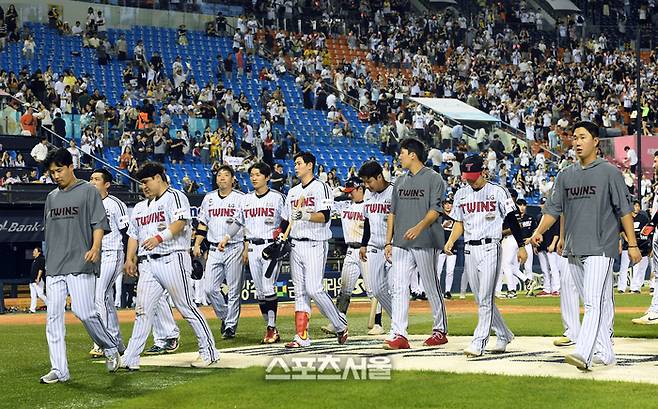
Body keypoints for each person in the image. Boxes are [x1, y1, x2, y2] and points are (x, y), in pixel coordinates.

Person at [528, 120, 639, 370]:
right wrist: (538, 232)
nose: (577, 142)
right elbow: (554, 210)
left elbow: (624, 212)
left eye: (582, 137)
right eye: (574, 138)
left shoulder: (610, 173)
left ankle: (583, 351)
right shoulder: (566, 174)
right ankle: (605, 352)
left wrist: (632, 244)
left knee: (592, 302)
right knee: (596, 302)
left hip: (601, 246)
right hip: (574, 248)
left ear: (596, 141)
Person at [121, 162, 219, 370]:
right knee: (143, 311)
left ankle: (209, 352)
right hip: (148, 263)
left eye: (146, 182)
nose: (143, 187)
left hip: (172, 257)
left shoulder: (174, 196)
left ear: (158, 177)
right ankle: (131, 358)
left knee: (186, 307)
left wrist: (159, 237)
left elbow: (180, 222)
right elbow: (133, 235)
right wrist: (130, 258)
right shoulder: (139, 207)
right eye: (141, 183)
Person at [40, 148, 121, 384]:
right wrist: (47, 260)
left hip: (81, 261)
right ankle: (59, 369)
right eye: (52, 172)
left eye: (59, 170)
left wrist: (96, 247)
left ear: (70, 167)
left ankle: (109, 346)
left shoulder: (88, 191)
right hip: (55, 264)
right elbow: (49, 231)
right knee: (53, 317)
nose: (56, 176)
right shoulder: (51, 197)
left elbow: (98, 223)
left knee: (85, 312)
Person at [444, 154, 527, 357]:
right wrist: (451, 240)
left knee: (485, 299)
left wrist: (521, 245)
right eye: (467, 176)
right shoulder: (461, 194)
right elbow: (459, 222)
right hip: (470, 249)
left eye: (473, 175)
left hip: (491, 246)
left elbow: (512, 219)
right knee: (481, 298)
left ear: (484, 171)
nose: (470, 179)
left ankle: (479, 341)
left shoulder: (498, 191)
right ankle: (504, 334)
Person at [383, 138, 449, 350]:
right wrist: (388, 241)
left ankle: (440, 330)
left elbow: (435, 210)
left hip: (426, 240)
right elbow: (392, 213)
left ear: (413, 154)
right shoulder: (400, 181)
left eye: (402, 153)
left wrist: (419, 227)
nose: (399, 157)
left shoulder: (434, 178)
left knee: (431, 286)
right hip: (401, 242)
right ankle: (399, 334)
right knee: (399, 287)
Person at [283, 151, 348, 348]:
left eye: (299, 163)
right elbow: (288, 219)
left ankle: (340, 324)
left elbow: (325, 216)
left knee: (314, 289)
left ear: (310, 165)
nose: (296, 166)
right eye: (295, 163)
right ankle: (301, 336)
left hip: (315, 242)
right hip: (296, 243)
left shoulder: (322, 187)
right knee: (300, 292)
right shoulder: (292, 192)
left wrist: (304, 214)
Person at [321, 178, 384, 336]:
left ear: (361, 189)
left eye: (352, 191)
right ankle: (338, 322)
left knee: (372, 290)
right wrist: (338, 191)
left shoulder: (369, 205)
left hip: (367, 249)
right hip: (350, 250)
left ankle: (378, 323)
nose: (350, 195)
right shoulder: (345, 205)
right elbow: (327, 203)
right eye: (348, 192)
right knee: (345, 289)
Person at [193, 165, 247, 339]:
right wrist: (197, 244)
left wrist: (246, 247)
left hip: (235, 246)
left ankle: (230, 326)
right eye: (219, 175)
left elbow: (246, 226)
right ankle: (225, 316)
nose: (222, 178)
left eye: (226, 175)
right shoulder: (208, 198)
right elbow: (203, 223)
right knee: (209, 289)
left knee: (233, 290)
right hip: (214, 248)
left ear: (233, 179)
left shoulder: (241, 198)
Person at [240, 162, 286, 343]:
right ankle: (270, 326)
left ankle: (271, 327)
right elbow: (242, 224)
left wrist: (281, 238)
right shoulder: (246, 199)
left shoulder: (277, 197)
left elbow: (286, 220)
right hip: (252, 246)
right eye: (251, 174)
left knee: (268, 286)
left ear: (267, 177)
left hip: (270, 246)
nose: (253, 177)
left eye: (258, 174)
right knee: (259, 292)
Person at [87, 169, 129, 358]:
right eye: (91, 178)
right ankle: (117, 342)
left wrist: (130, 257)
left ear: (107, 184)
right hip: (97, 256)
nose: (92, 181)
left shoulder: (115, 204)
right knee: (107, 301)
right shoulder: (87, 203)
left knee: (100, 296)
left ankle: (101, 342)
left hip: (113, 252)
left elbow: (127, 231)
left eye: (96, 179)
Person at [358, 160, 394, 335]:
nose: (367, 185)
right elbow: (367, 221)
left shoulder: (394, 191)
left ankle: (398, 326)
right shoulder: (367, 194)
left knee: (395, 287)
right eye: (364, 182)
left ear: (379, 176)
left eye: (369, 181)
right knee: (377, 289)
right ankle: (398, 319)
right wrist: (363, 244)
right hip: (373, 245)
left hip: (393, 246)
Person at [436, 199, 457, 299]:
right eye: (446, 204)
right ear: (443, 205)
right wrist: (442, 226)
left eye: (450, 204)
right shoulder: (439, 216)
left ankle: (448, 291)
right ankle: (438, 291)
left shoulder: (456, 216)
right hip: (440, 246)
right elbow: (433, 229)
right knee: (438, 271)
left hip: (453, 247)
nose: (448, 206)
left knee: (450, 271)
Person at [28, 247, 48, 313]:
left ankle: (50, 305)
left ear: (39, 253)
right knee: (33, 296)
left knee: (40, 294)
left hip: (38, 280)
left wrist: (38, 278)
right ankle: (32, 309)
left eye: (35, 251)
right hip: (32, 280)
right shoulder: (35, 260)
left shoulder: (41, 259)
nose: (33, 252)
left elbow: (41, 269)